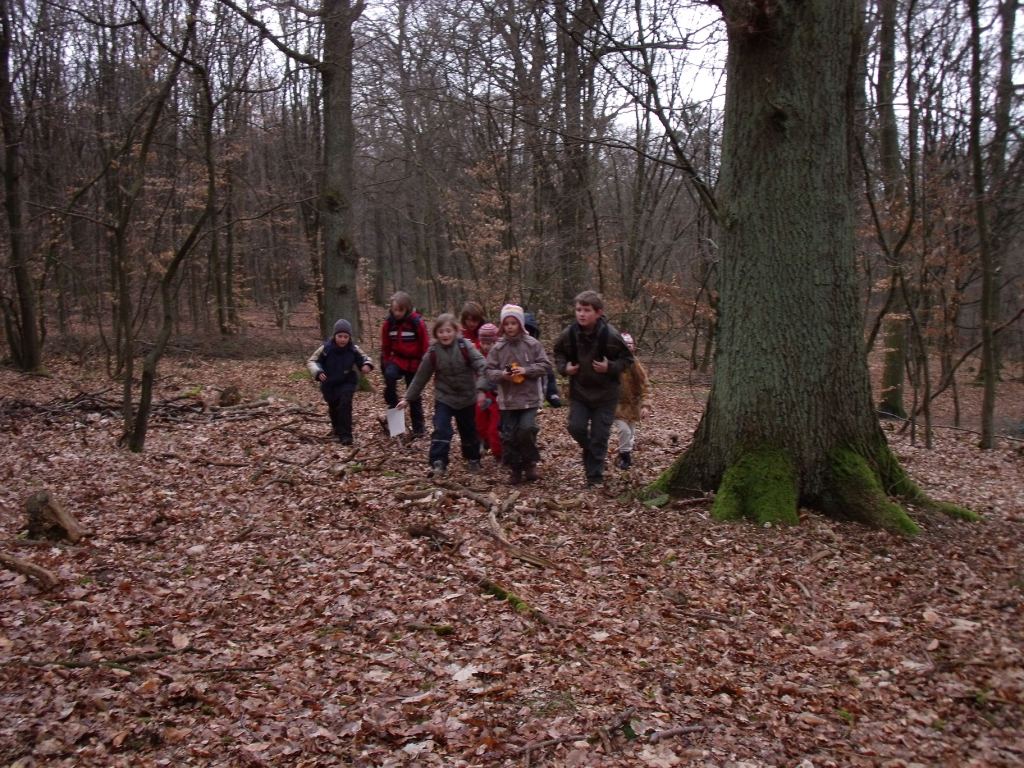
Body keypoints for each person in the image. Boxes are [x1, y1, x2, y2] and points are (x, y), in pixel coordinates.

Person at [553, 290, 634, 486]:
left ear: (598, 312)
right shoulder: (570, 333)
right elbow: (558, 352)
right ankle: (591, 451)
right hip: (580, 392)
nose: (581, 314)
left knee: (600, 435)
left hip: (606, 395)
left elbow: (627, 359)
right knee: (575, 427)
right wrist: (565, 368)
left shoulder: (610, 335)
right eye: (578, 309)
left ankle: (594, 477)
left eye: (587, 310)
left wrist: (610, 367)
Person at [398, 313, 487, 476]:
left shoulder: (465, 347)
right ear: (436, 334)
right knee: (441, 428)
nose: (445, 335)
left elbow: (482, 365)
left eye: (448, 331)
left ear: (455, 331)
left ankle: (473, 458)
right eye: (441, 332)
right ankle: (438, 461)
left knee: (468, 430)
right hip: (444, 397)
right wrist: (407, 398)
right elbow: (420, 377)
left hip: (467, 397)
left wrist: (481, 389)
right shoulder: (433, 352)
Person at [485, 304, 553, 484]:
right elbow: (489, 370)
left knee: (526, 429)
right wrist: (502, 375)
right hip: (507, 399)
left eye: (513, 323)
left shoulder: (532, 344)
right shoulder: (498, 348)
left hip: (529, 398)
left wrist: (526, 370)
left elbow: (546, 366)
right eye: (506, 323)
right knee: (509, 435)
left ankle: (530, 463)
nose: (509, 327)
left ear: (520, 324)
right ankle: (515, 468)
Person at [307, 319, 374, 446]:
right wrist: (318, 372)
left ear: (349, 337)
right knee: (333, 407)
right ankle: (337, 429)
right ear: (334, 336)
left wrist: (366, 365)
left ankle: (346, 435)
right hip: (329, 384)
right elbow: (312, 361)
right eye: (340, 336)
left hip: (347, 382)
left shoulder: (353, 349)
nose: (342, 339)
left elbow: (364, 358)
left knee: (345, 404)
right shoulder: (326, 348)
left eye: (346, 337)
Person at [380, 291, 429, 436]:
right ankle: (395, 423)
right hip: (398, 360)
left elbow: (425, 344)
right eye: (395, 310)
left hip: (414, 362)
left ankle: (419, 429)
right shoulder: (389, 324)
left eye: (400, 310)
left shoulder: (416, 323)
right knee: (389, 377)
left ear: (407, 308)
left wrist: (424, 363)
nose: (397, 313)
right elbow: (386, 346)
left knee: (413, 395)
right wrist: (387, 361)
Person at [612, 333, 649, 470]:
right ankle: (625, 457)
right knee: (624, 431)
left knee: (631, 433)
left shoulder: (635, 364)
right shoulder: (612, 362)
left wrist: (646, 405)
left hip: (633, 405)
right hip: (616, 406)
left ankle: (624, 453)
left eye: (630, 344)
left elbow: (644, 384)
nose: (627, 347)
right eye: (624, 344)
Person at [474, 322, 502, 461]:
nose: (486, 346)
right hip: (482, 395)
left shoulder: (502, 353)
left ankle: (499, 453)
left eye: (490, 343)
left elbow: (511, 370)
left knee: (494, 428)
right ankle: (485, 442)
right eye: (483, 343)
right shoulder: (476, 354)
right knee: (480, 423)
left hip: (498, 396)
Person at [523, 311, 562, 407]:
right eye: (524, 330)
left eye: (530, 332)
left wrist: (552, 394)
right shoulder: (508, 349)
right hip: (512, 396)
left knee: (527, 421)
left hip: (533, 395)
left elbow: (548, 372)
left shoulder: (537, 349)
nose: (527, 334)